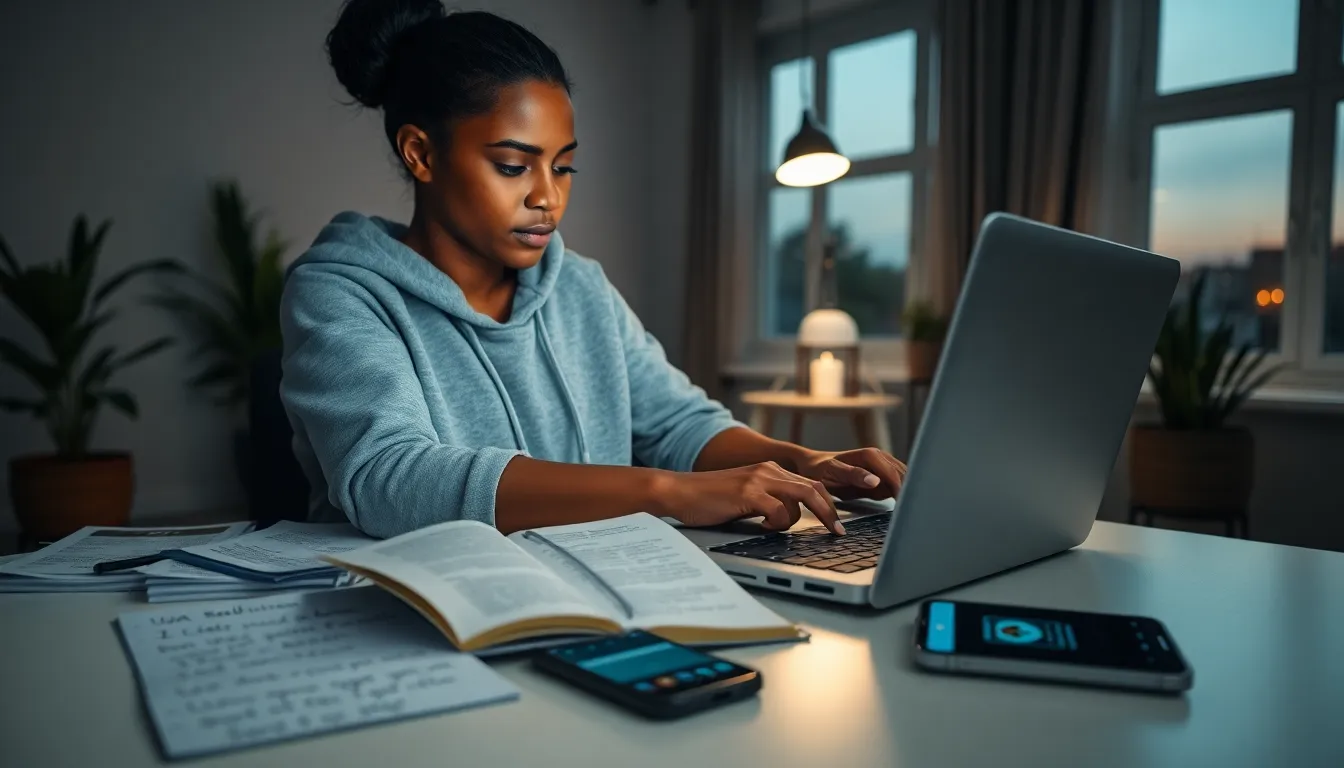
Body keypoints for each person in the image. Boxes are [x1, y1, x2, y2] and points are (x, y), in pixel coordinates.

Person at [280, 0, 908, 540]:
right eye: (511, 165)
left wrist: (802, 461)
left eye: (563, 166)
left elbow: (680, 424)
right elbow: (392, 479)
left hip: (599, 590)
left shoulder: (580, 287)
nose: (548, 197)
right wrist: (667, 492)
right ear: (420, 153)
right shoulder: (340, 291)